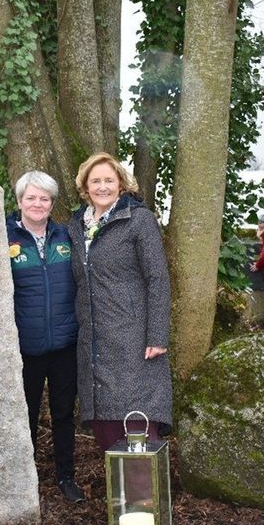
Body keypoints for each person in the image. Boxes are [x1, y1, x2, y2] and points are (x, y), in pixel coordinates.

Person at [67, 152, 172, 451]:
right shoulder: (76, 227)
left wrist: (157, 336)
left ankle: (142, 495)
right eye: (95, 180)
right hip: (94, 340)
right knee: (106, 423)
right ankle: (121, 494)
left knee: (136, 421)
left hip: (134, 337)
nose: (102, 186)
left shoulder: (139, 220)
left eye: (109, 180)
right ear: (85, 187)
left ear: (121, 185)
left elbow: (158, 279)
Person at [7, 170, 84, 503]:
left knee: (64, 413)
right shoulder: (5, 238)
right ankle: (27, 477)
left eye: (44, 198)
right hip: (25, 347)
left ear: (52, 203)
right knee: (26, 413)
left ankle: (65, 476)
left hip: (65, 344)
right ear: (20, 201)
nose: (37, 204)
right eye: (31, 197)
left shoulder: (66, 237)